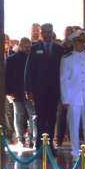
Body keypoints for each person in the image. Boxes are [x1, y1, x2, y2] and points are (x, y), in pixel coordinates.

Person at [24, 23, 66, 155]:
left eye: (49, 32)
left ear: (53, 33)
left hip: (54, 89)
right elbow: (29, 70)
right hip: (39, 90)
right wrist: (29, 90)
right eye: (45, 32)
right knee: (41, 117)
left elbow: (64, 72)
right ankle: (40, 143)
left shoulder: (60, 50)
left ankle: (50, 144)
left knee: (52, 116)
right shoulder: (35, 48)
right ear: (41, 33)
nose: (47, 34)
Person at [60, 30, 85, 159]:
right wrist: (65, 99)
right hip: (73, 97)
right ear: (73, 43)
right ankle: (75, 153)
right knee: (74, 126)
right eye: (79, 42)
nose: (82, 44)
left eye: (83, 41)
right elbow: (63, 80)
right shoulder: (67, 59)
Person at [5, 38, 36, 147]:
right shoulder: (11, 59)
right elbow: (7, 77)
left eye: (29, 46)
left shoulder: (33, 58)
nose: (27, 48)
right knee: (19, 116)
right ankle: (21, 139)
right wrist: (8, 92)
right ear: (20, 45)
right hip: (16, 92)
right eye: (25, 46)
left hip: (30, 91)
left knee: (33, 115)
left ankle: (32, 139)